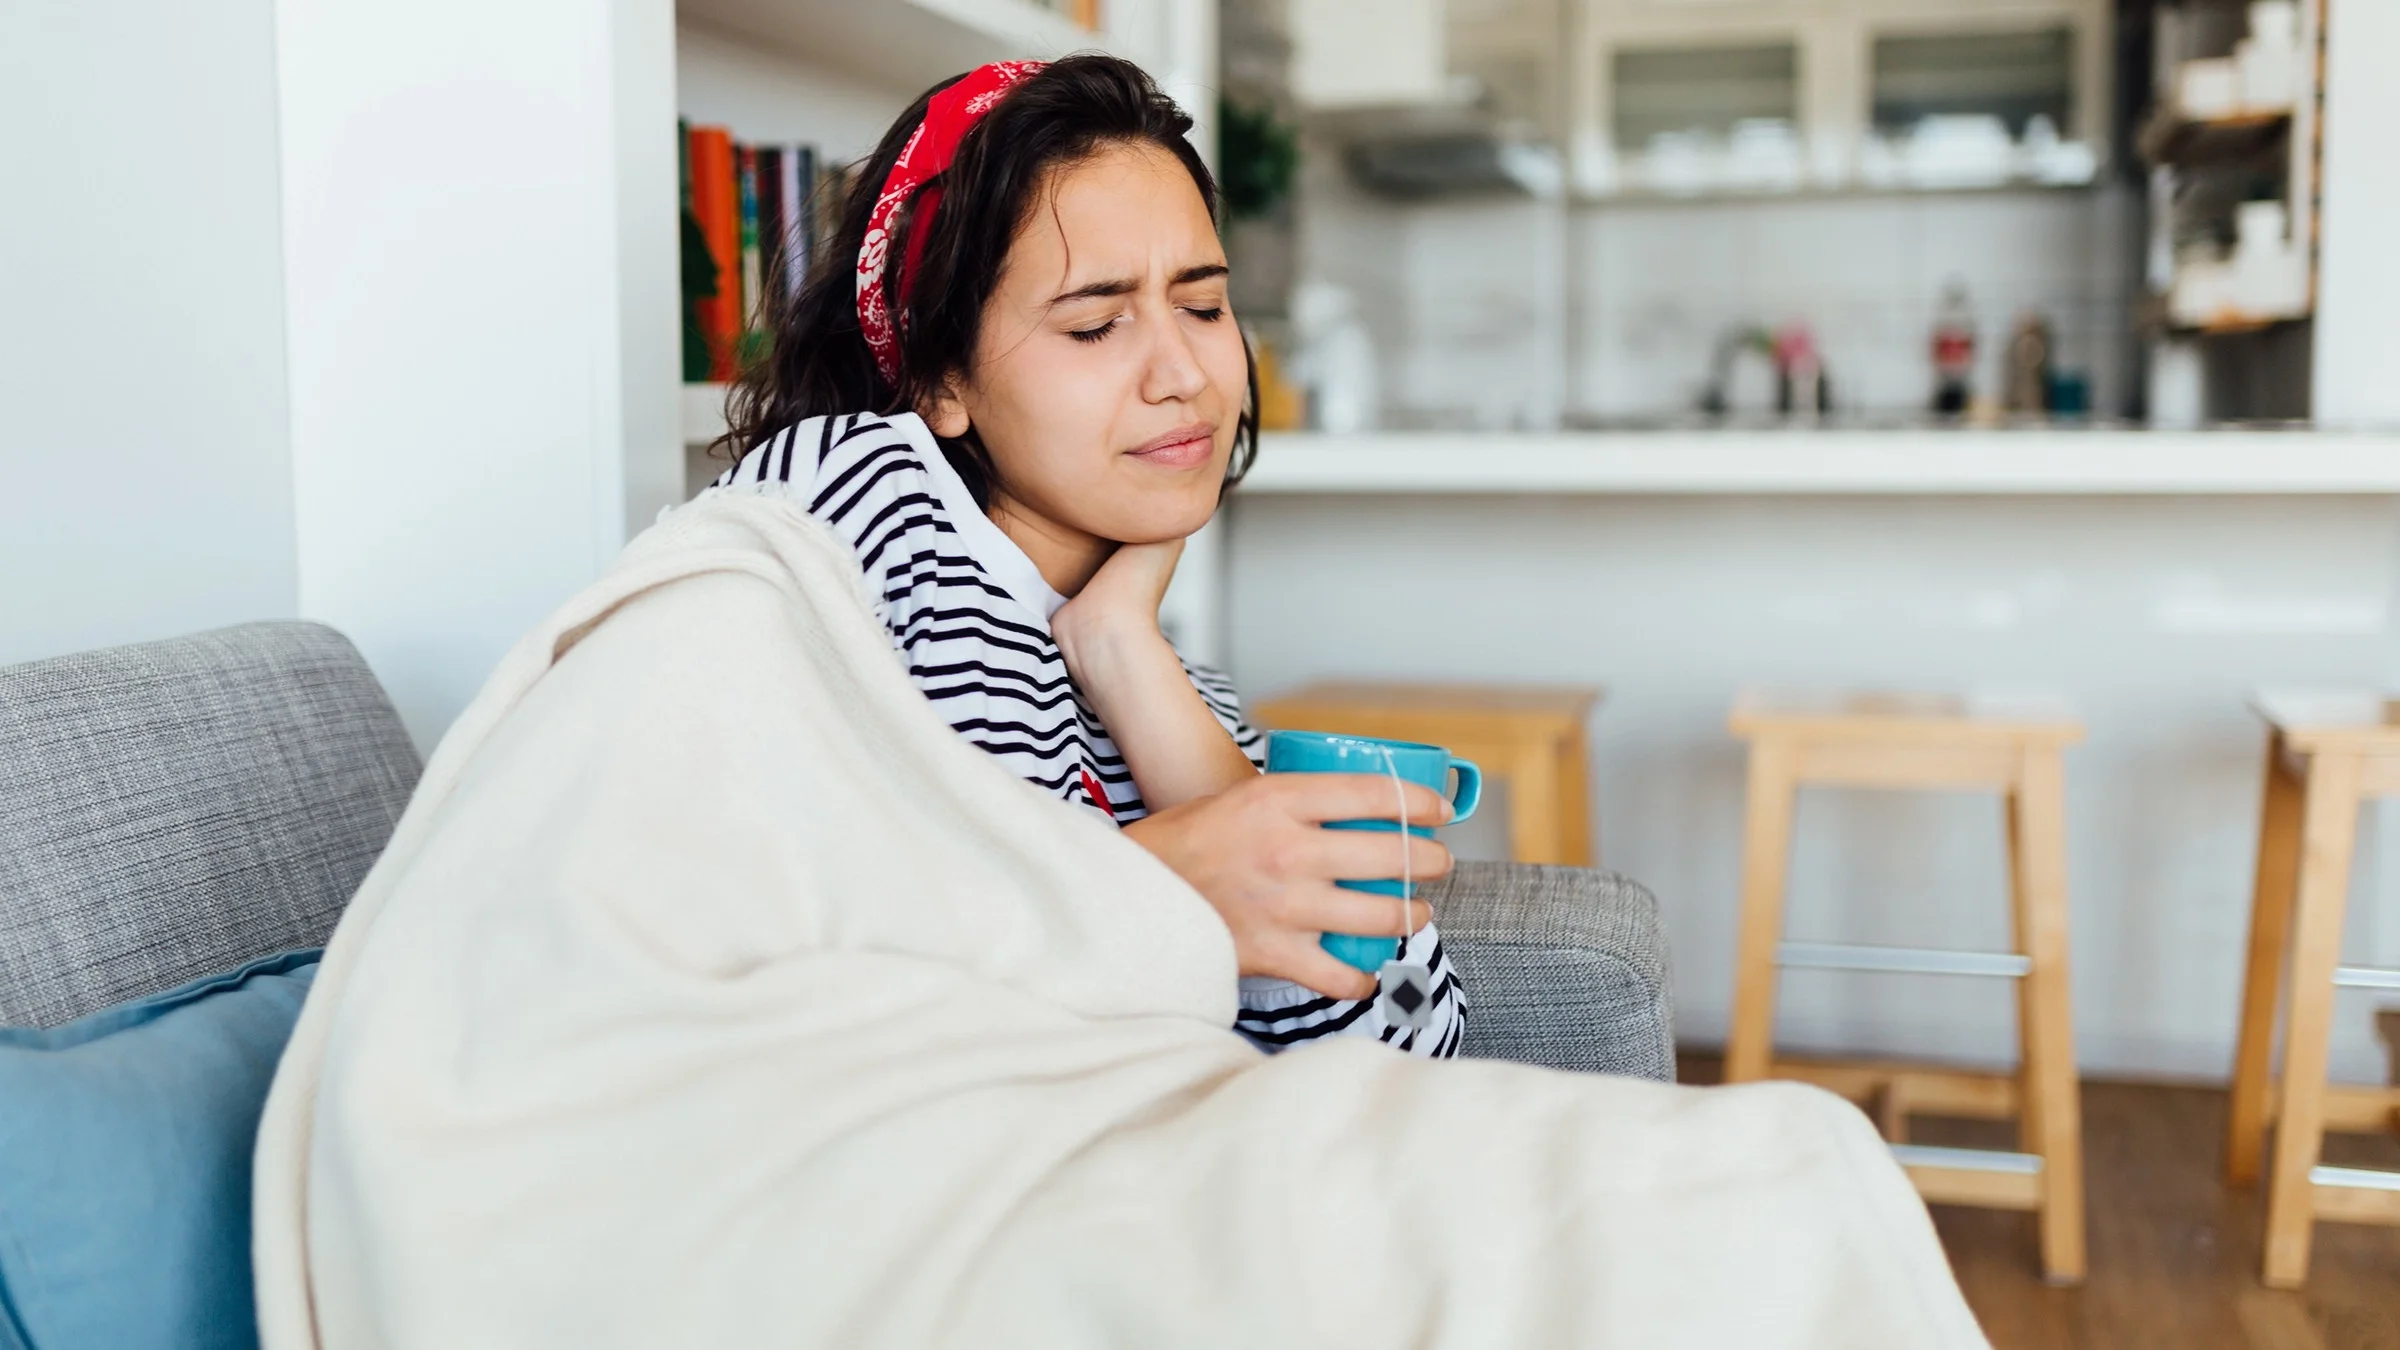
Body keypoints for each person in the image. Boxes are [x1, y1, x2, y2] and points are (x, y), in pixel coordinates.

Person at [704, 55, 1465, 1056]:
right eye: (1097, 323)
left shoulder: (1161, 685)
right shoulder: (849, 495)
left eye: (1201, 305)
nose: (1186, 373)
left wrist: (1122, 652)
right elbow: (765, 963)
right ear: (941, 381)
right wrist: (1155, 886)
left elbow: (1406, 1052)